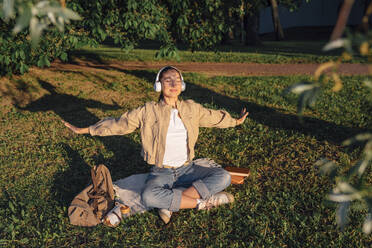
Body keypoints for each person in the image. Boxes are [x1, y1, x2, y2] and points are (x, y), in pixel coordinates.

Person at [63, 66, 248, 224]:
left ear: (182, 85)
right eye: (168, 80)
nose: (174, 84)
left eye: (177, 79)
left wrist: (235, 121)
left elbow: (213, 117)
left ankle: (170, 202)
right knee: (148, 196)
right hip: (161, 172)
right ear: (159, 85)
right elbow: (120, 123)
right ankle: (203, 202)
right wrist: (87, 129)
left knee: (224, 176)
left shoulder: (192, 108)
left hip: (188, 169)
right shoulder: (148, 111)